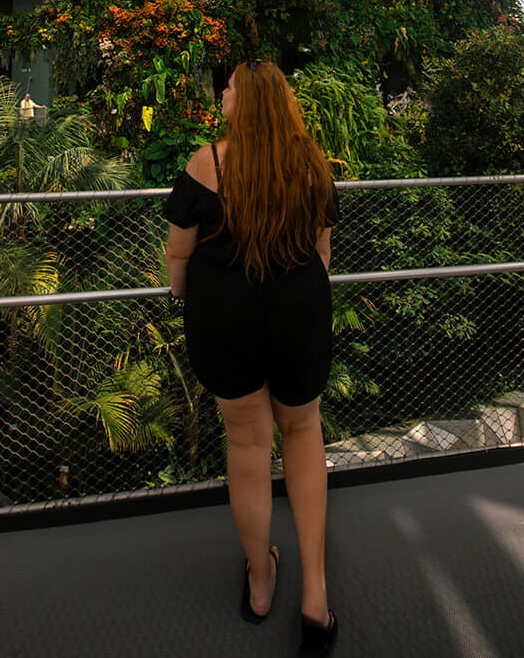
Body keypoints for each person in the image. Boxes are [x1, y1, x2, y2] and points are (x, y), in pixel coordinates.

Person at [164, 61, 339, 654]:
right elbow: (321, 249)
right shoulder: (311, 162)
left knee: (247, 444)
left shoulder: (205, 162)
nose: (223, 93)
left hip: (225, 318)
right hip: (299, 310)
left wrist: (189, 296)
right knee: (303, 431)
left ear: (251, 101)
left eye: (231, 86)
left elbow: (178, 254)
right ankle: (315, 593)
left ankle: (260, 581)